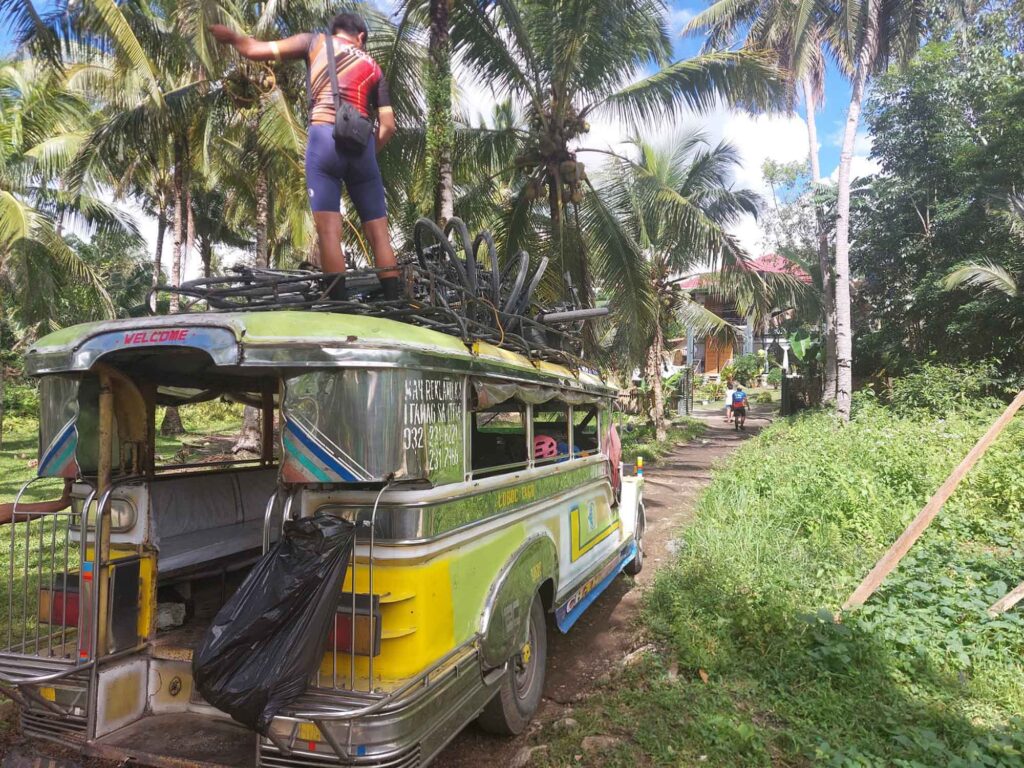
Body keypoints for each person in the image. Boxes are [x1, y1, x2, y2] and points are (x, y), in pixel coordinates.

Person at [209, 13, 399, 300]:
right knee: (379, 235)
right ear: (360, 37)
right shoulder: (374, 66)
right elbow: (388, 125)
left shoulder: (314, 42)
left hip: (325, 139)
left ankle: (339, 304)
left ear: (335, 30)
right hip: (362, 147)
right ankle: (394, 300)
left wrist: (233, 38)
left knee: (329, 232)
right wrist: (367, 156)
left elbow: (253, 49)